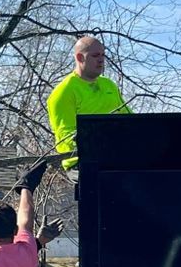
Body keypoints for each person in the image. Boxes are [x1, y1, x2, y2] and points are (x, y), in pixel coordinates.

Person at [47, 36, 130, 169]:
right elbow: (66, 138)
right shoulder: (64, 92)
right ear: (80, 58)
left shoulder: (109, 85)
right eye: (95, 55)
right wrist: (99, 146)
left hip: (115, 159)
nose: (101, 60)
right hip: (81, 164)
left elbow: (130, 120)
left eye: (103, 55)